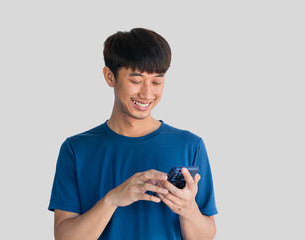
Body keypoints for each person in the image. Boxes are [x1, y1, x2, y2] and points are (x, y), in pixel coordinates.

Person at [48, 28, 217, 240]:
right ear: (110, 77)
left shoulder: (190, 146)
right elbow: (65, 237)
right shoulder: (75, 149)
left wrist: (189, 211)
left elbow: (206, 235)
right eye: (136, 81)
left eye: (157, 81)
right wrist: (112, 200)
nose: (147, 94)